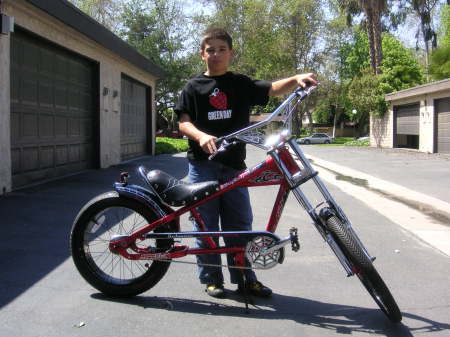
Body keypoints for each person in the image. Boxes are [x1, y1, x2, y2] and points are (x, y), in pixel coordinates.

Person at [174, 28, 317, 299]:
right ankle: (212, 279)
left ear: (231, 53)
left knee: (240, 225)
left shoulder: (240, 83)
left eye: (221, 49)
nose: (215, 54)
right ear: (202, 54)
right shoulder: (193, 87)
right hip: (201, 166)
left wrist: (297, 77)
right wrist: (202, 135)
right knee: (206, 226)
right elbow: (183, 122)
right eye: (210, 49)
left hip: (233, 167)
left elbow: (273, 89)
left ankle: (245, 279)